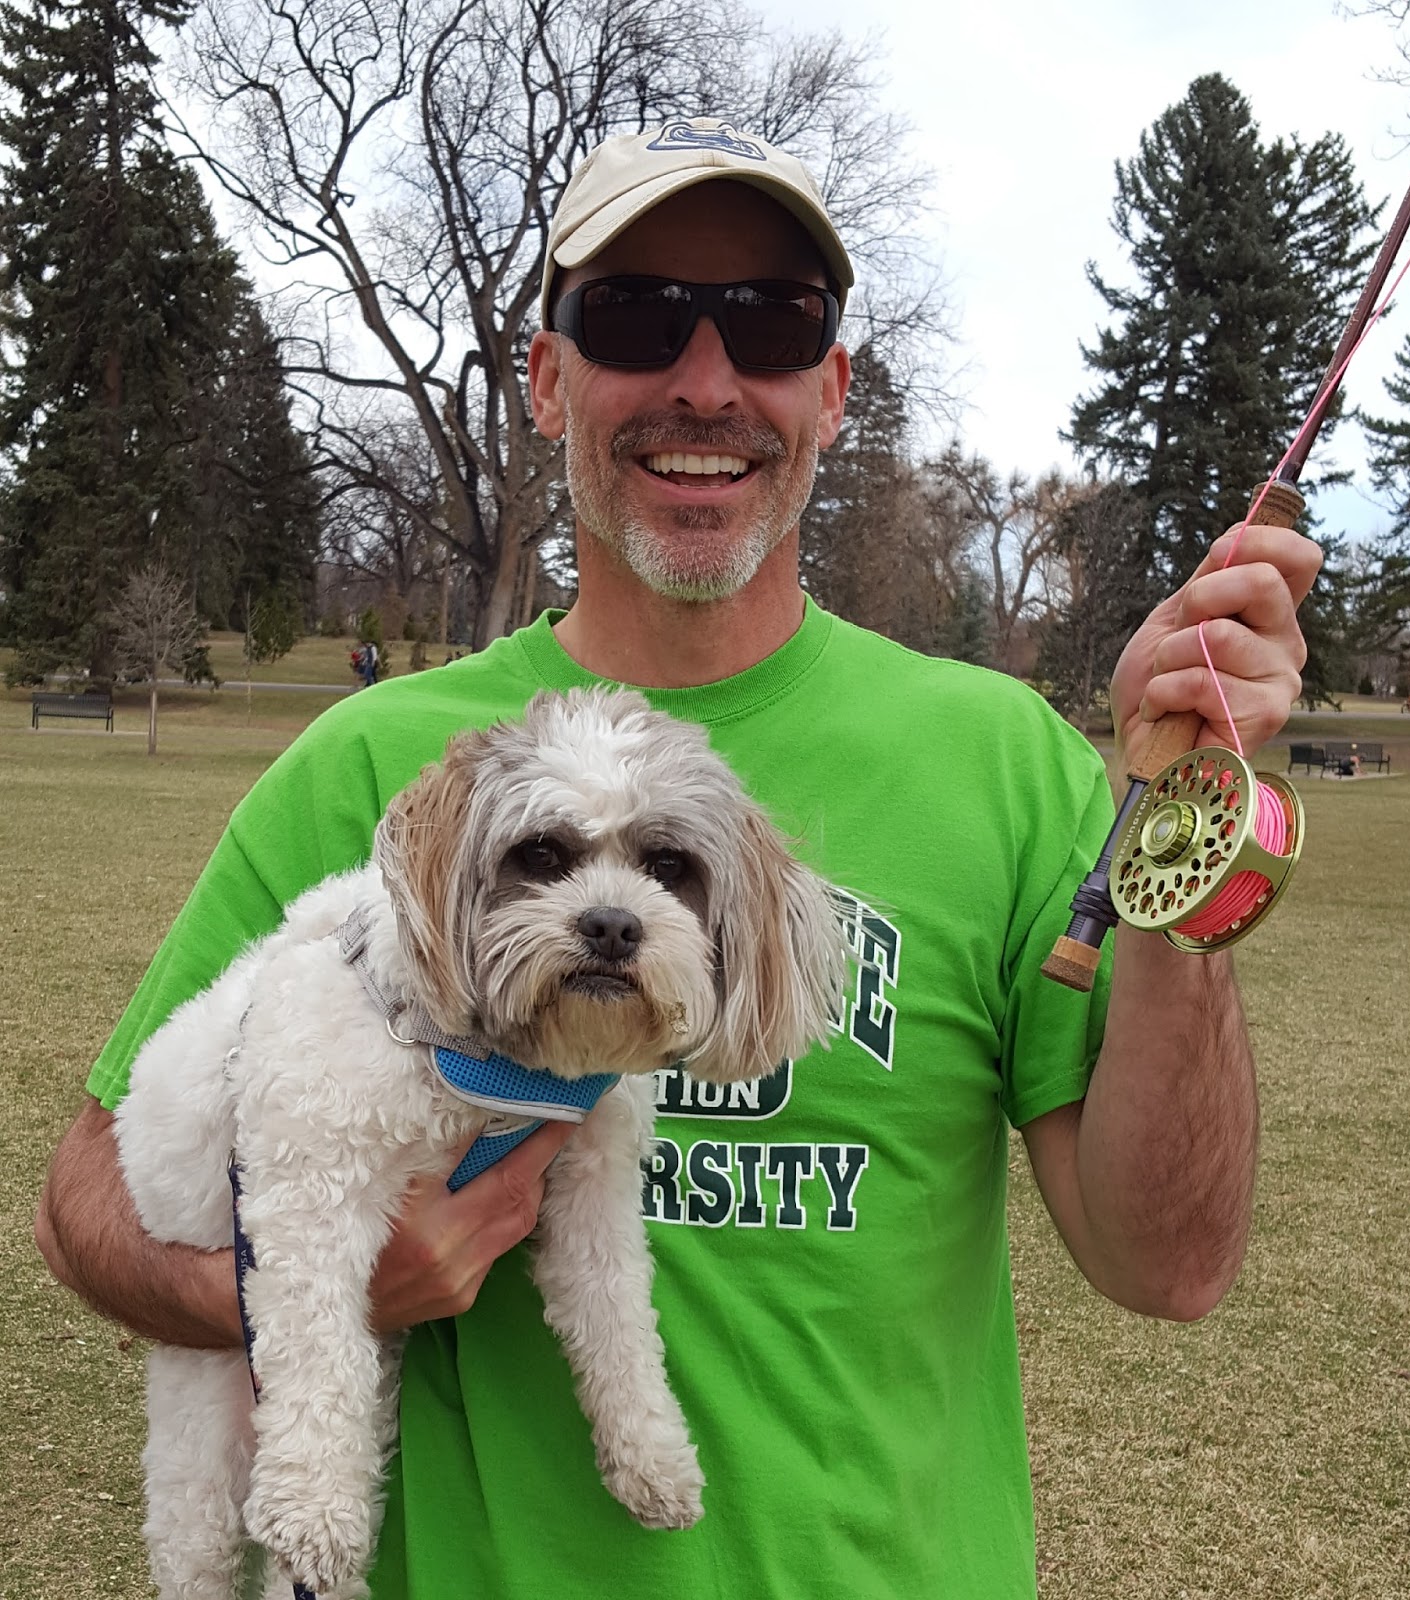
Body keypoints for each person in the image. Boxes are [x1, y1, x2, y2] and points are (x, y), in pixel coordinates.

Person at [35, 118, 1318, 1598]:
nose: (707, 380)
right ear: (546, 375)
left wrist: (1181, 834)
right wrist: (291, 1290)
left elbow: (1170, 1269)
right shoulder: (375, 771)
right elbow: (89, 1202)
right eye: (640, 313)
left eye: (772, 322)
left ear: (833, 386)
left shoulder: (1004, 759)